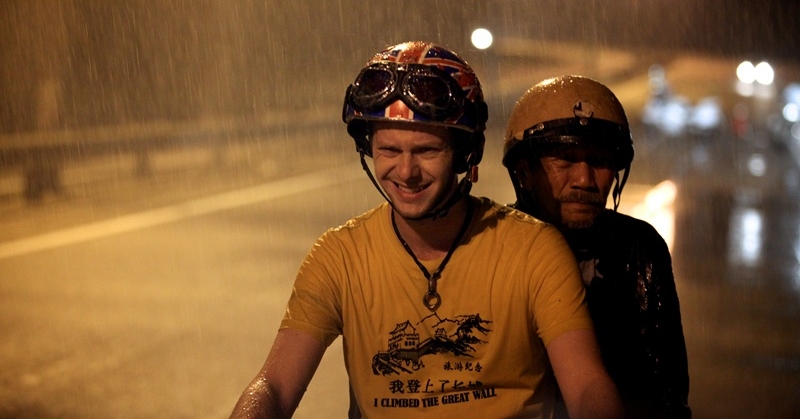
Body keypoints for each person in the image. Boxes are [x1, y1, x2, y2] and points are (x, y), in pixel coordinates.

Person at [230, 42, 623, 419]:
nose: (406, 172)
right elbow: (274, 386)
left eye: (426, 151)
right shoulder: (338, 257)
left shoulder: (533, 249)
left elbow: (586, 385)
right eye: (389, 150)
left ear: (465, 154)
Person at [502, 75, 691, 418]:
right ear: (524, 171)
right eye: (564, 160)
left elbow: (665, 390)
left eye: (600, 161)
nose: (585, 180)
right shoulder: (494, 244)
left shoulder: (638, 246)